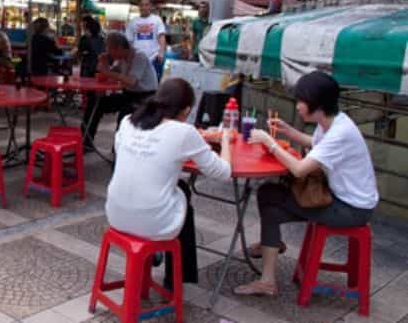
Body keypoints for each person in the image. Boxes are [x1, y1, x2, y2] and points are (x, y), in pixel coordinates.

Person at [235, 71, 379, 297]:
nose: (298, 106)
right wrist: (288, 130)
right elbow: (315, 143)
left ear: (316, 104)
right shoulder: (332, 122)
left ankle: (268, 264)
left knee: (270, 196)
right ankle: (269, 249)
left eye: (302, 101)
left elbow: (300, 169)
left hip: (351, 209)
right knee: (269, 194)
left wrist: (269, 142)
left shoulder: (340, 133)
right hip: (343, 199)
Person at [107, 78, 232, 289]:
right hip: (150, 222)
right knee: (182, 194)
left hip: (116, 214)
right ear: (185, 110)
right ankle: (175, 278)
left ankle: (166, 265)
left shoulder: (129, 120)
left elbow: (124, 153)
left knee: (179, 189)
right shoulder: (183, 132)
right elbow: (224, 172)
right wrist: (226, 140)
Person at [82, 32, 158, 149]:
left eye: (110, 49)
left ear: (120, 48)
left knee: (125, 115)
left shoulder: (139, 56)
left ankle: (120, 151)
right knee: (95, 103)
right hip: (128, 95)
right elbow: (110, 74)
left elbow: (131, 81)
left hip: (145, 98)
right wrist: (104, 63)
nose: (108, 52)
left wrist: (107, 72)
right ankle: (86, 142)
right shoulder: (121, 59)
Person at [126, 0, 166, 80]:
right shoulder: (133, 21)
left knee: (155, 83)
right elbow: (129, 41)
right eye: (142, 5)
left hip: (154, 57)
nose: (144, 7)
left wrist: (161, 52)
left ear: (151, 6)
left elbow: (161, 37)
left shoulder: (157, 20)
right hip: (137, 58)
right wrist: (129, 57)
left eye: (147, 5)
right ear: (139, 6)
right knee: (138, 82)